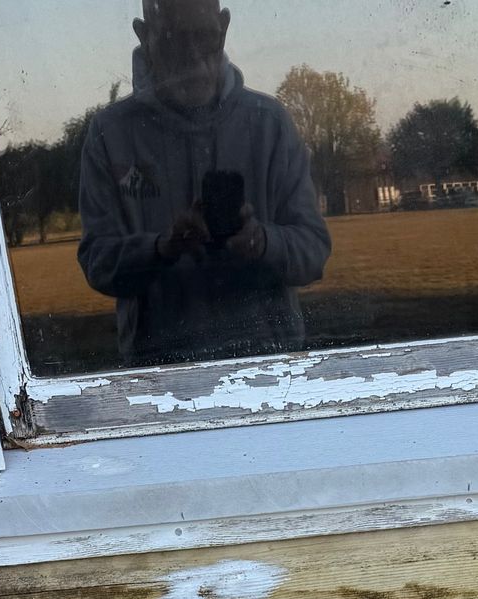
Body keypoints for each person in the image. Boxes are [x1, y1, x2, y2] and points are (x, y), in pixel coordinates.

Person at [77, 0, 332, 368]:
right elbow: (97, 262)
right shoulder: (110, 135)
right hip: (162, 379)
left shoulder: (270, 124)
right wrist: (162, 248)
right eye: (173, 40)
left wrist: (262, 242)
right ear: (144, 36)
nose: (193, 56)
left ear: (224, 28)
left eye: (205, 37)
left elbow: (314, 251)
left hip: (270, 371)